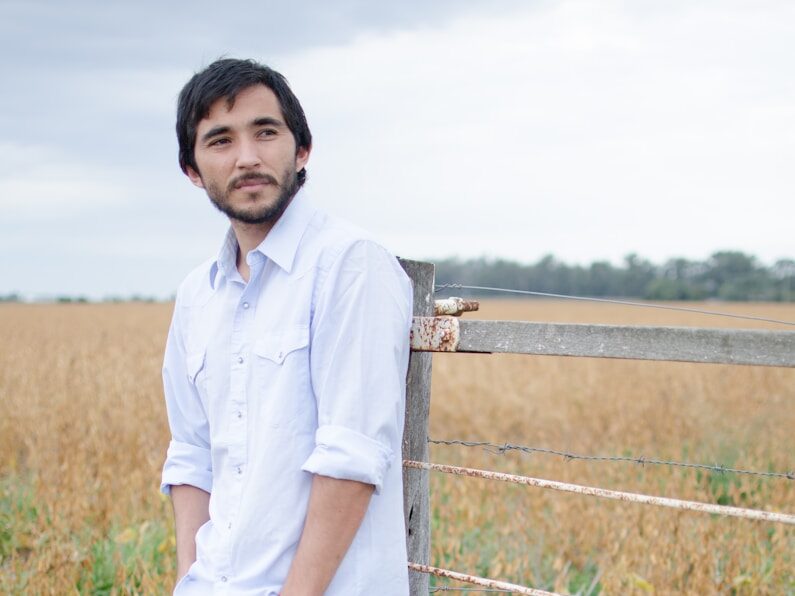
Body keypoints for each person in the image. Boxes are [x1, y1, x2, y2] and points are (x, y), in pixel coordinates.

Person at [160, 58, 413, 595]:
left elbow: (352, 455)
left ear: (301, 150)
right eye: (220, 140)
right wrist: (190, 580)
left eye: (266, 132)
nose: (248, 157)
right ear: (192, 169)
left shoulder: (350, 264)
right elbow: (192, 454)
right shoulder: (196, 296)